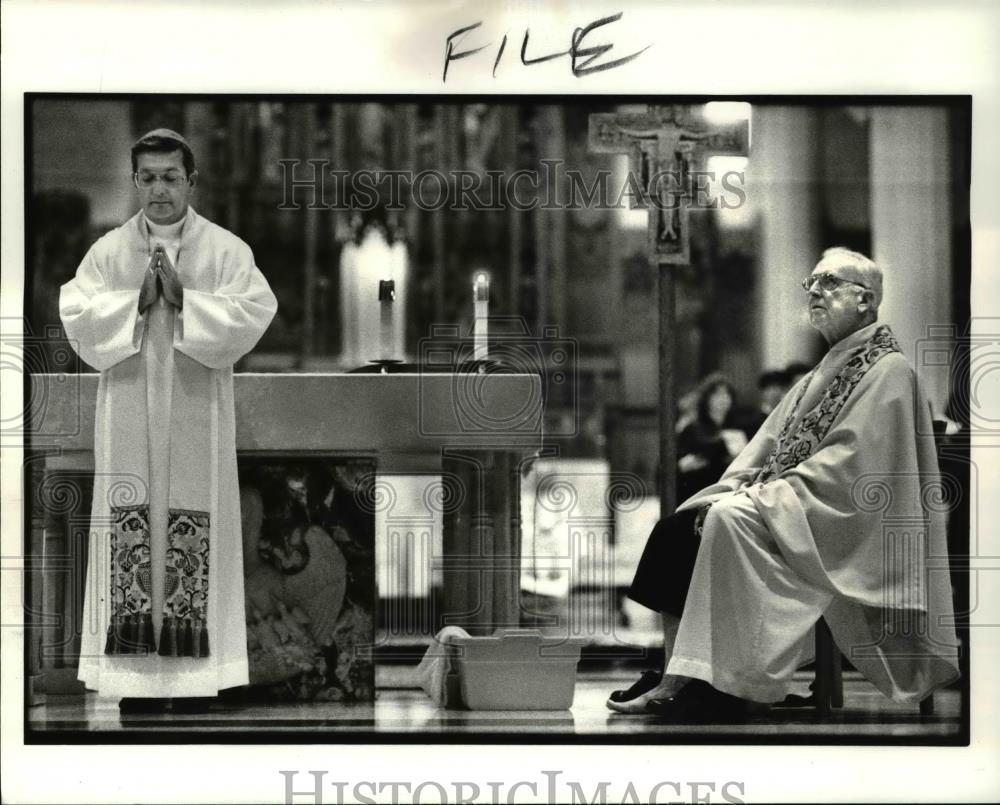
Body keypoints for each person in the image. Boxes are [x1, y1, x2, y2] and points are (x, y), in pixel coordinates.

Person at [607, 247, 960, 720]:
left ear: (866, 299)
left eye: (829, 282)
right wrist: (739, 485)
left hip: (843, 524)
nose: (815, 291)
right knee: (682, 524)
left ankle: (721, 683)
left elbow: (857, 468)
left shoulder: (890, 372)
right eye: (811, 283)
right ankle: (682, 671)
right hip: (795, 503)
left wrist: (764, 496)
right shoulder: (820, 370)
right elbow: (765, 446)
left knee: (728, 521)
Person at [60, 129, 278, 715]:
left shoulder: (226, 251)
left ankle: (194, 680)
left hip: (196, 413)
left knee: (194, 522)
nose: (159, 189)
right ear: (135, 181)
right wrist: (132, 302)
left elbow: (257, 308)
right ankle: (134, 678)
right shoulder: (107, 253)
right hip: (128, 411)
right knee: (130, 530)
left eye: (171, 177)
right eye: (149, 177)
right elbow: (76, 313)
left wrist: (189, 301)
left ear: (191, 181)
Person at [676, 374, 746, 502]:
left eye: (727, 394)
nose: (723, 399)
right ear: (707, 398)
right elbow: (677, 464)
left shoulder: (738, 427)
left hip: (728, 492)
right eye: (717, 394)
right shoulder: (693, 428)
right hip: (699, 490)